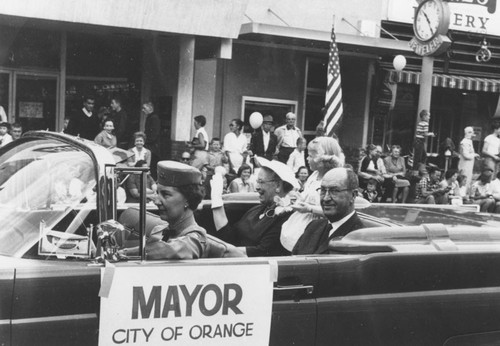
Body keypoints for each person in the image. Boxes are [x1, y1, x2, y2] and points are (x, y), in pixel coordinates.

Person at [119, 161, 208, 260]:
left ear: (188, 199)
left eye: (165, 194)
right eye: (157, 193)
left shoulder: (195, 237)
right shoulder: (159, 230)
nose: (157, 201)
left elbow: (177, 249)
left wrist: (122, 253)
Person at [211, 157, 298, 257]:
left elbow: (260, 252)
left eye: (261, 182)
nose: (256, 187)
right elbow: (230, 237)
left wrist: (217, 249)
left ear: (278, 185)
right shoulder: (258, 209)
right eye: (257, 181)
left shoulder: (286, 217)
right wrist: (216, 200)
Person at [280, 136, 345, 252]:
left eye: (311, 156)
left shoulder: (333, 179)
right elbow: (306, 196)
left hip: (318, 227)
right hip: (301, 221)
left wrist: (309, 208)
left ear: (322, 160)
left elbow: (336, 211)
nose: (307, 159)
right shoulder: (314, 175)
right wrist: (297, 198)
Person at [292, 167, 365, 255]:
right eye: (323, 190)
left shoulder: (360, 237)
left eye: (334, 191)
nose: (326, 198)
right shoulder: (313, 227)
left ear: (353, 195)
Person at [458, 126, 479, 192]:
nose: (472, 134)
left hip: (469, 165)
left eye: (472, 132)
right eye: (470, 132)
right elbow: (466, 155)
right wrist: (474, 155)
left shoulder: (469, 141)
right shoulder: (465, 142)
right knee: (464, 180)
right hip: (465, 164)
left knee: (468, 180)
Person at [143, 102, 161, 174]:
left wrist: (146, 141)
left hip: (153, 147)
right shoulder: (150, 117)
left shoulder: (154, 118)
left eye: (144, 108)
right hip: (151, 145)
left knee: (152, 164)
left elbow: (154, 134)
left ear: (150, 109)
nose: (142, 110)